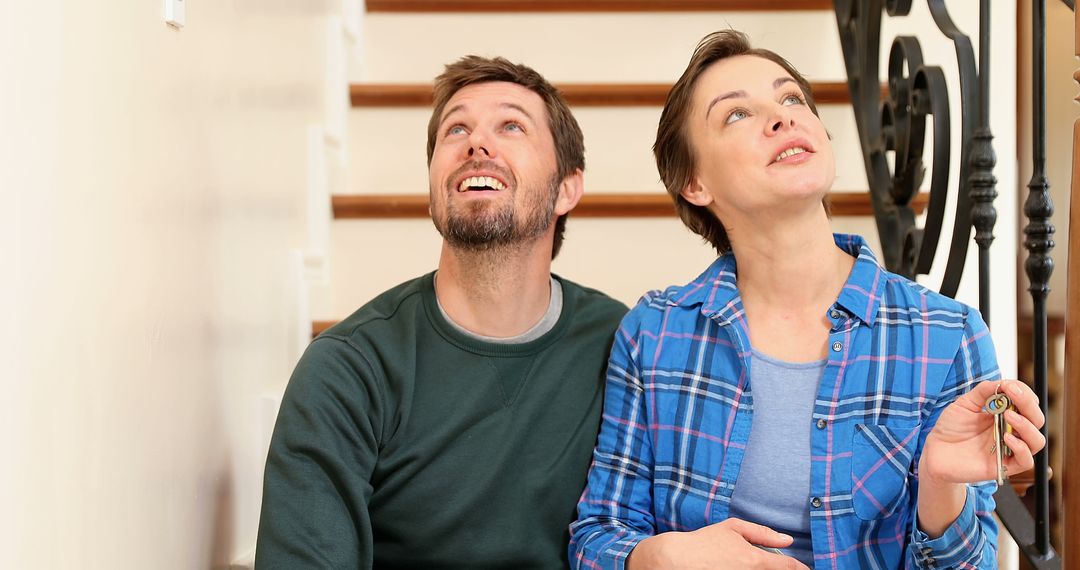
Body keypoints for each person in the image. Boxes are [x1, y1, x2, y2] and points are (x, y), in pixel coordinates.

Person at [569, 30, 1046, 569]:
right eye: (737, 115)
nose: (782, 117)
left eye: (791, 98)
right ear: (694, 182)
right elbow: (598, 536)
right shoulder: (654, 333)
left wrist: (939, 486)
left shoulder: (947, 335)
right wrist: (668, 556)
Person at [255, 56, 627, 569]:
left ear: (566, 188)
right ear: (433, 185)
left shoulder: (623, 347)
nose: (477, 144)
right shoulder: (348, 369)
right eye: (456, 129)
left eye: (511, 125)